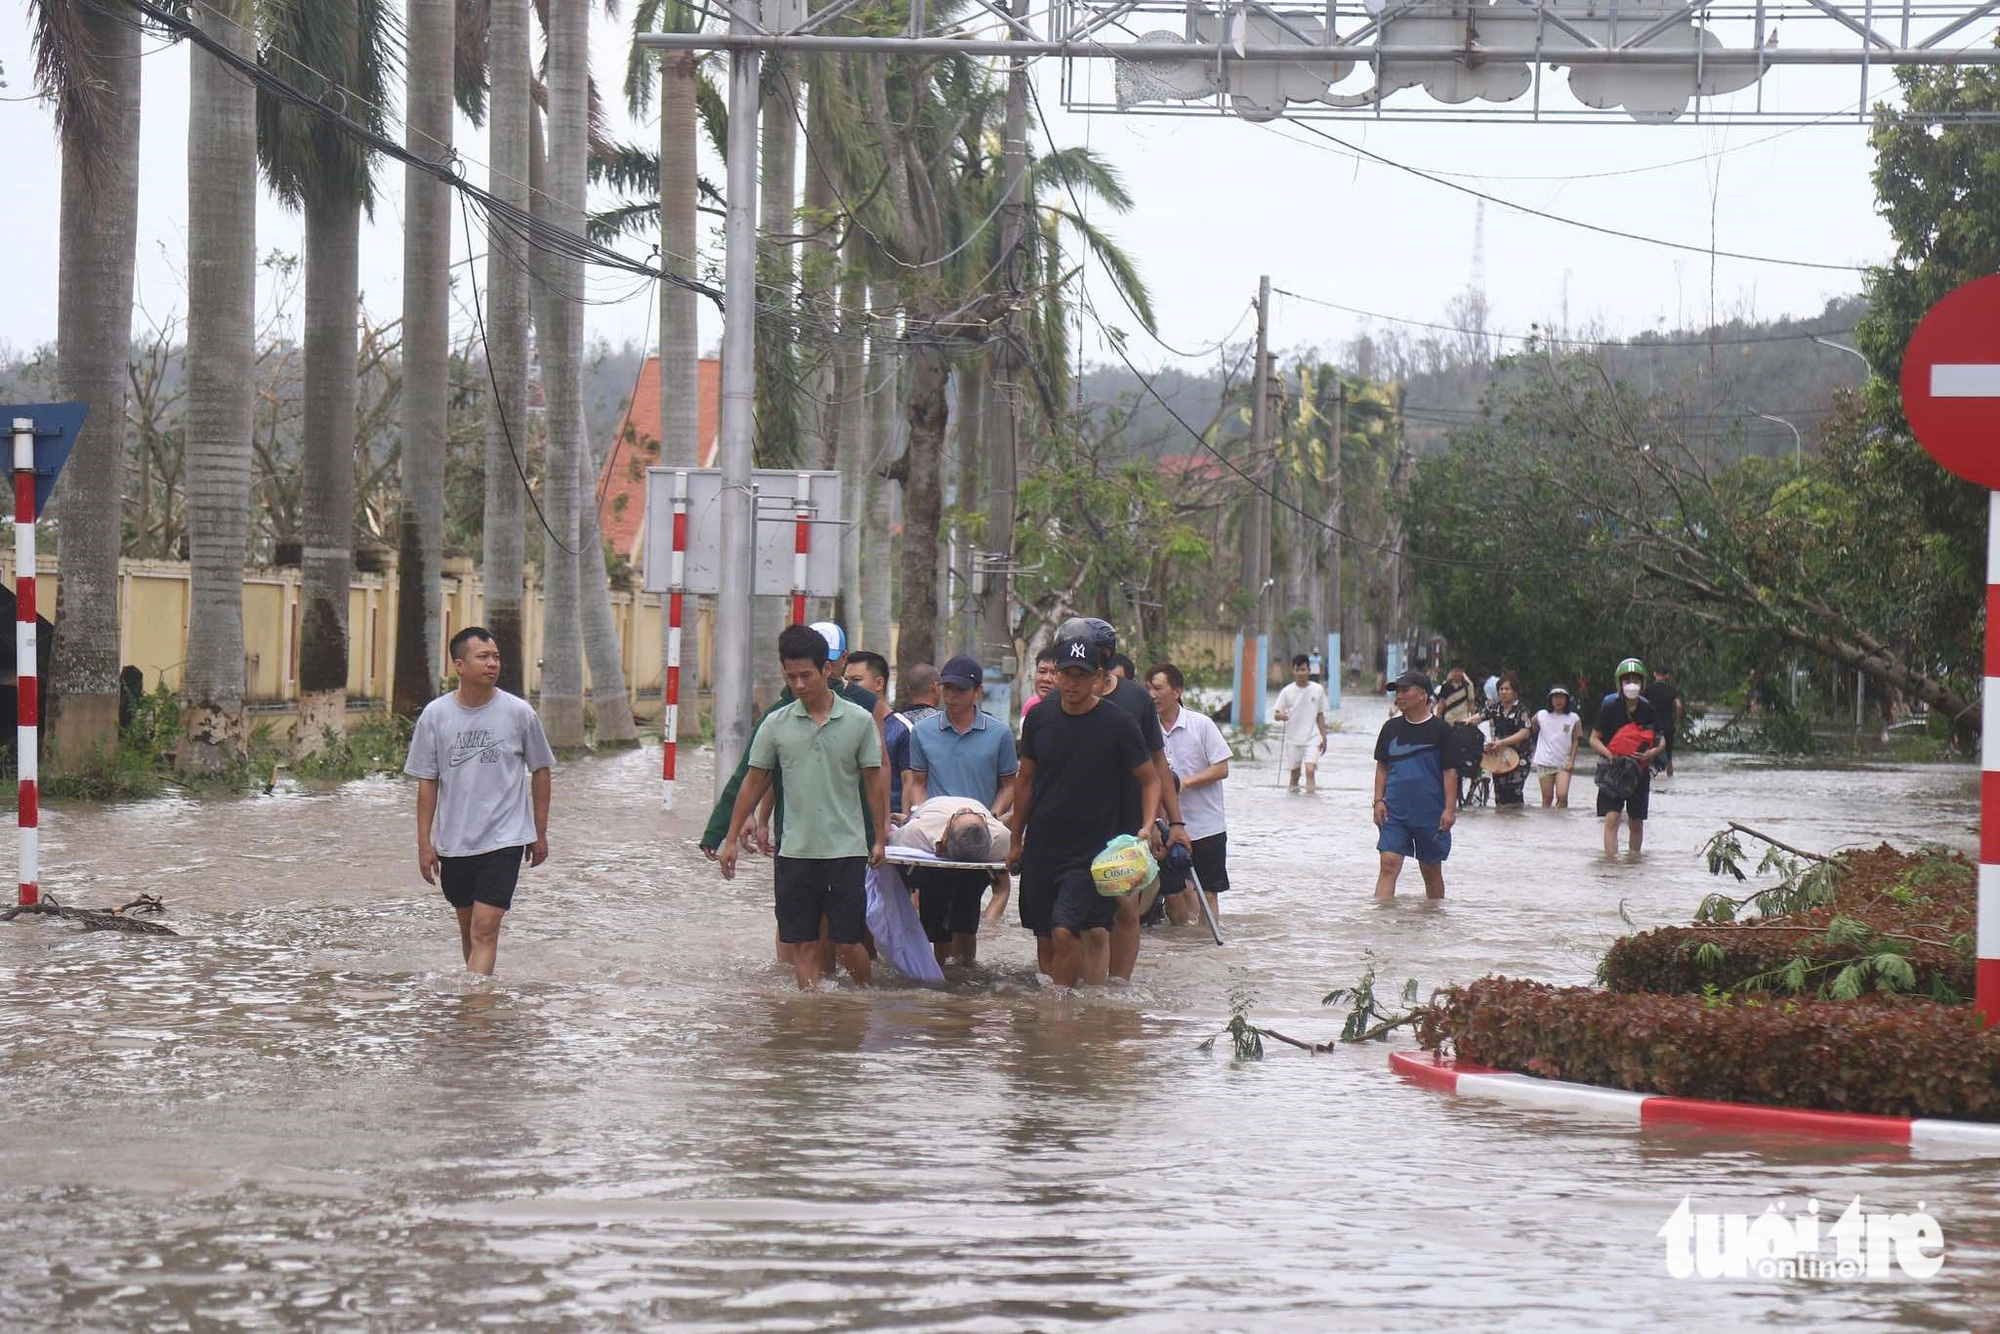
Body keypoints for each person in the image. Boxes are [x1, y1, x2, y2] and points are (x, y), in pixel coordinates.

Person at [700, 622, 885, 968]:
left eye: (806, 675)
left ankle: (861, 1006)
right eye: (791, 677)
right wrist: (728, 837)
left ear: (827, 669)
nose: (799, 684)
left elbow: (875, 780)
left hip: (845, 849)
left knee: (849, 942)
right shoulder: (775, 722)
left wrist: (879, 837)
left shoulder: (861, 717)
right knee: (803, 943)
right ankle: (808, 1012)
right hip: (795, 850)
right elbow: (753, 780)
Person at [1009, 632, 1159, 987]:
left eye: (1082, 675)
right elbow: (1025, 780)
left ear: (1099, 678)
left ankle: (1063, 1013)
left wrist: (1147, 826)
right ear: (1056, 675)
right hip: (1043, 846)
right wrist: (1016, 840)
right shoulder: (1039, 718)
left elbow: (1150, 779)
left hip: (1092, 853)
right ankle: (1061, 1014)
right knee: (1044, 937)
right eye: (1066, 674)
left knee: (1066, 931)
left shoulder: (1118, 723)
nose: (1072, 683)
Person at [405, 627, 554, 976]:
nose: (492, 663)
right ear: (459, 665)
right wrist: (424, 843)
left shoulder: (519, 713)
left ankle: (476, 1012)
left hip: (505, 838)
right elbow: (428, 782)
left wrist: (539, 830)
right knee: (469, 929)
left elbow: (541, 769)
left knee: (486, 928)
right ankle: (476, 1005)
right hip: (455, 842)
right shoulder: (436, 715)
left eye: (496, 656)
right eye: (483, 657)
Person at [1063, 617, 1194, 981]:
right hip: (1068, 818)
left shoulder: (1135, 699)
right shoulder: (1059, 696)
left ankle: (1117, 989)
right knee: (1074, 916)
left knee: (1123, 907)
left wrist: (1173, 823)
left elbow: (1157, 764)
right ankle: (1075, 989)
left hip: (1126, 820)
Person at [903, 655, 1018, 963]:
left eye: (959, 689)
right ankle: (941, 986)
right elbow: (917, 781)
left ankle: (966, 977)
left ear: (977, 692)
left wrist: (992, 817)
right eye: (946, 688)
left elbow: (1010, 784)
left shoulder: (999, 733)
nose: (951, 696)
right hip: (936, 842)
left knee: (966, 919)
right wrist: (920, 811)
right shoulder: (923, 732)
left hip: (977, 838)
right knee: (935, 921)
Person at [1149, 663, 1231, 925]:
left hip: (1207, 826)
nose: (1152, 694)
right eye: (1148, 688)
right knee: (1173, 893)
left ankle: (1205, 945)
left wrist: (1184, 783)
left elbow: (1221, 768)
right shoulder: (1148, 730)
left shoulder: (1201, 725)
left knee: (1208, 892)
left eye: (1158, 688)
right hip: (1165, 827)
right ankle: (1182, 949)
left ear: (1177, 691)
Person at [890, 795, 1012, 965]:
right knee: (937, 922)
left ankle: (965, 967)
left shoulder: (1000, 838)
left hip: (975, 863)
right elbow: (895, 842)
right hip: (933, 848)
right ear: (945, 834)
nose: (965, 809)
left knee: (966, 918)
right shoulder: (918, 832)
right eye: (962, 814)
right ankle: (941, 966)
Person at [1372, 670, 1456, 900]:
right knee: (1388, 864)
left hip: (1430, 813)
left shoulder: (1441, 730)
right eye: (1396, 691)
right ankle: (1382, 924)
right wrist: (1378, 800)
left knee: (1430, 870)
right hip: (1394, 812)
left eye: (1404, 690)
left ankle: (1434, 918)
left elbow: (1450, 772)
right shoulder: (1390, 729)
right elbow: (1382, 766)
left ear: (1422, 695)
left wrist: (1450, 809)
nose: (1398, 696)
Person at [1589, 657, 1668, 857]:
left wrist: (1650, 753)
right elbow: (1594, 739)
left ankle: (1634, 860)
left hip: (1639, 771)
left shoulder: (1648, 709)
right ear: (1619, 683)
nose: (1631, 684)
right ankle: (1611, 861)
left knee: (1636, 821)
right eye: (1627, 680)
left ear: (1642, 684)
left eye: (1636, 680)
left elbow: (1662, 741)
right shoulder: (1610, 707)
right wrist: (1610, 755)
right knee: (1612, 818)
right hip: (1613, 770)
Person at [1273, 654, 1331, 793]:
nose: (1300, 673)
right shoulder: (1287, 691)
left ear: (1309, 670)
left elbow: (1320, 715)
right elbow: (1276, 714)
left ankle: (1311, 802)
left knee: (1310, 770)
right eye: (1298, 669)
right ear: (1293, 671)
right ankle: (1294, 806)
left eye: (1303, 669)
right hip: (1293, 738)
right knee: (1295, 775)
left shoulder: (1318, 690)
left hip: (1313, 736)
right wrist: (1282, 716)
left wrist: (1324, 737)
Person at [1477, 673, 1534, 808]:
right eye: (1501, 689)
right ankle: (1502, 823)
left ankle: (1515, 821)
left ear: (1515, 691)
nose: (1503, 692)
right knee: (1500, 793)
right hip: (1499, 756)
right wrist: (1465, 722)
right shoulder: (1495, 708)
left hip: (1519, 756)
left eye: (1507, 689)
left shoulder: (1521, 710)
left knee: (1514, 791)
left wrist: (1503, 742)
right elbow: (1479, 716)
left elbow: (1525, 733)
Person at [1531, 686, 1582, 808]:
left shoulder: (1574, 718)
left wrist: (1572, 761)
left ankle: (1562, 821)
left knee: (1562, 795)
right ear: (1550, 700)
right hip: (1544, 761)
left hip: (1563, 763)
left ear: (1566, 700)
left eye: (1561, 698)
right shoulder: (1541, 715)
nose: (1558, 701)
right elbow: (1531, 726)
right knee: (1547, 797)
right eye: (1555, 698)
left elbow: (1576, 740)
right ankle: (1547, 824)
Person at [1645, 667, 1685, 778]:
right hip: (1667, 725)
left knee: (1649, 753)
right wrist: (1677, 722)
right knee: (1669, 757)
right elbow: (1679, 705)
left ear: (1654, 674)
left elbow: (1642, 704)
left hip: (1651, 726)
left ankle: (1649, 779)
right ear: (1666, 676)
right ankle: (1670, 781)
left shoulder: (1649, 689)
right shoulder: (1672, 690)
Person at [1019, 645, 1060, 730]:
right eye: (1042, 671)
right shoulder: (1031, 705)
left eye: (1053, 673)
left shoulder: (1070, 708)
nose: (1046, 679)